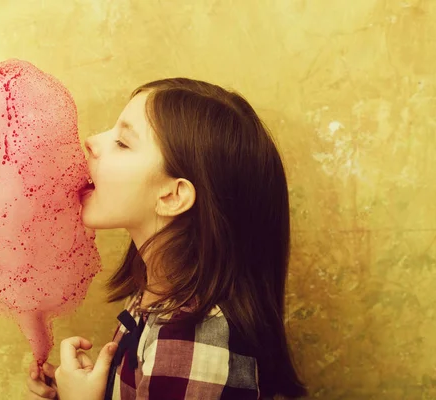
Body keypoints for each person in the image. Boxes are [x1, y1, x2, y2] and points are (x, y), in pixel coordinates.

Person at [25, 78, 307, 400]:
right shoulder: (156, 297)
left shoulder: (194, 342)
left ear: (172, 196)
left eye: (123, 142)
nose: (90, 141)